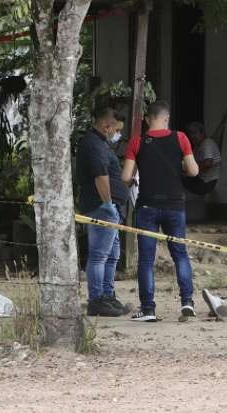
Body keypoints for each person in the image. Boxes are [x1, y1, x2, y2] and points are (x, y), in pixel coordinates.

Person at [121, 100, 200, 322]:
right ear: (166, 118)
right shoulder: (181, 138)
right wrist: (181, 166)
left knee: (146, 260)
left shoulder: (137, 142)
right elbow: (194, 170)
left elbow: (126, 177)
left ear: (147, 119)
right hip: (175, 206)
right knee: (180, 255)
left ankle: (148, 309)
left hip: (147, 206)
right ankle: (187, 302)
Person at [77, 107, 131, 317]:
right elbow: (101, 177)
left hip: (110, 208)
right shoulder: (93, 144)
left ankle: (108, 296)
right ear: (105, 125)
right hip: (102, 208)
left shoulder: (101, 144)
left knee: (112, 255)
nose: (117, 134)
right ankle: (96, 300)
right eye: (115, 129)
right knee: (99, 255)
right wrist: (108, 203)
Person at [182, 122, 221, 195]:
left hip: (207, 182)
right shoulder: (198, 146)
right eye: (190, 133)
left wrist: (191, 170)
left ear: (202, 133)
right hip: (201, 179)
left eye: (195, 133)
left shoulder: (207, 143)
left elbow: (207, 163)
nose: (192, 136)